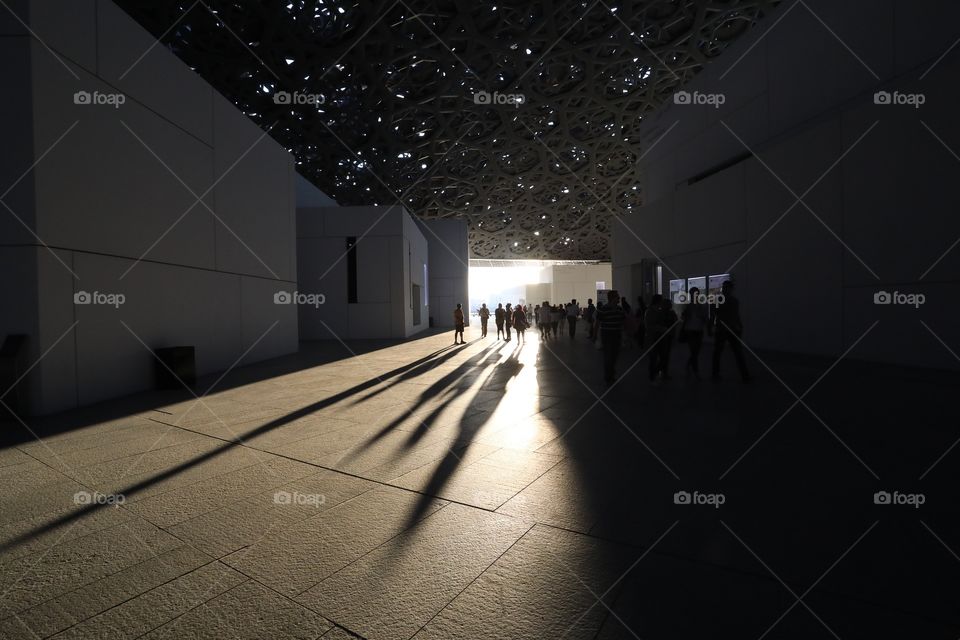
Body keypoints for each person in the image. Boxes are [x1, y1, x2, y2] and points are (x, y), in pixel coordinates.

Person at [712, 280, 751, 382]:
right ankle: (744, 375)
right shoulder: (728, 300)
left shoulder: (732, 301)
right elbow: (714, 315)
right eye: (724, 287)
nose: (725, 289)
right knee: (722, 353)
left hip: (729, 329)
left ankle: (744, 375)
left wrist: (740, 325)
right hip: (725, 329)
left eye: (727, 287)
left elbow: (735, 315)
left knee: (732, 353)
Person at [597, 290, 626, 385]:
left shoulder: (620, 309)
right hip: (607, 335)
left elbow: (623, 322)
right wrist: (595, 335)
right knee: (609, 356)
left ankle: (611, 373)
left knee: (614, 356)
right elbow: (597, 322)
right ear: (612, 298)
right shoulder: (603, 309)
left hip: (617, 335)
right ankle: (609, 376)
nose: (619, 298)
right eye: (617, 297)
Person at [680, 287, 708, 378]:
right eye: (692, 293)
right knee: (694, 351)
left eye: (695, 293)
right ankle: (696, 371)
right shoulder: (687, 305)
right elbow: (683, 317)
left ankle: (688, 365)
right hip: (690, 331)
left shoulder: (701, 305)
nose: (694, 295)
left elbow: (705, 319)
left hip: (699, 330)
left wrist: (703, 317)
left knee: (696, 352)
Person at [644, 295, 666, 381]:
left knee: (663, 358)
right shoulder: (650, 311)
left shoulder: (660, 311)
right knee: (653, 359)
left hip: (660, 337)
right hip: (652, 338)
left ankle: (655, 373)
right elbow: (648, 326)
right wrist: (661, 328)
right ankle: (652, 377)